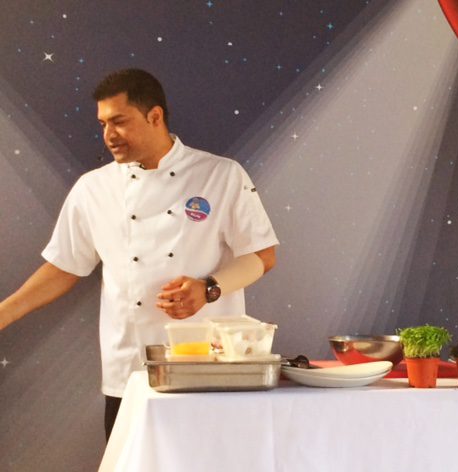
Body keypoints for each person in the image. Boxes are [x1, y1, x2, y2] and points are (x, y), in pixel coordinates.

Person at [0, 69, 278, 440]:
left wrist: (209, 288)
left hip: (209, 368)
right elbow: (64, 268)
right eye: (103, 124)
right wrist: (4, 313)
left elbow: (262, 255)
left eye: (119, 121)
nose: (108, 135)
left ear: (155, 116)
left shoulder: (221, 175)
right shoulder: (93, 188)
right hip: (129, 370)